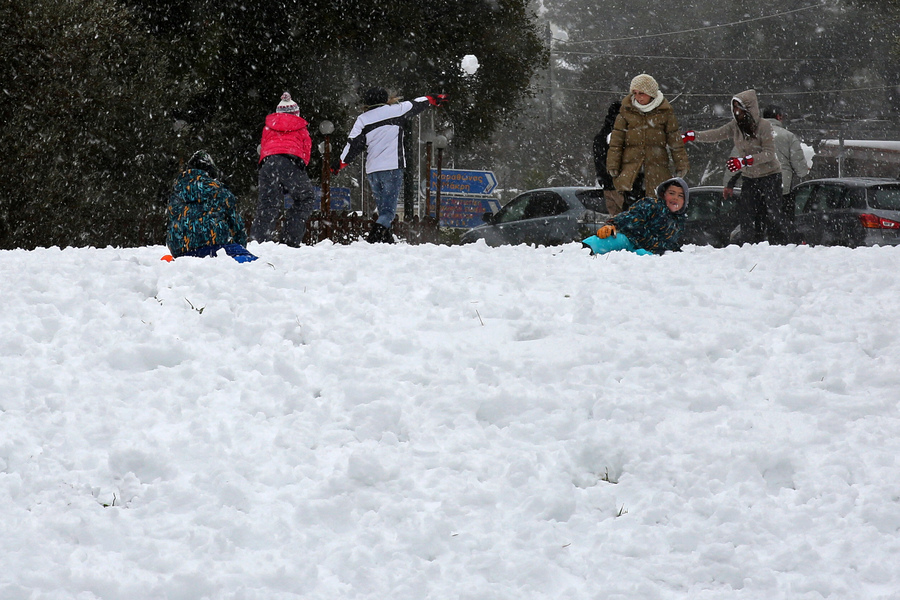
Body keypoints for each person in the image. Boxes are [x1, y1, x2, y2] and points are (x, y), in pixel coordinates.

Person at [333, 87, 448, 243]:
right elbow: (416, 103)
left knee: (383, 210)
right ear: (385, 99)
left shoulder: (362, 119)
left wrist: (340, 164)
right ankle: (372, 240)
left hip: (373, 171)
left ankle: (387, 242)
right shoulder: (396, 110)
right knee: (388, 212)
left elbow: (352, 145)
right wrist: (433, 98)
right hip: (392, 167)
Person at [683, 90, 784, 244]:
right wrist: (694, 136)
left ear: (749, 108)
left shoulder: (764, 126)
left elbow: (769, 153)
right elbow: (717, 134)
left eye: (739, 107)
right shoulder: (735, 126)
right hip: (750, 177)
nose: (736, 111)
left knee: (772, 214)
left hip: (770, 176)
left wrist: (744, 161)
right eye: (734, 107)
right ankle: (749, 245)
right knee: (747, 215)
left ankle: (777, 245)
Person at [606, 74, 690, 211]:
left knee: (655, 209)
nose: (638, 97)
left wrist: (681, 164)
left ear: (651, 94)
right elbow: (616, 142)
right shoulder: (626, 112)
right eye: (635, 93)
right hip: (631, 172)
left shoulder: (665, 112)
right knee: (631, 210)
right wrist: (613, 164)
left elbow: (675, 141)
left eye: (642, 93)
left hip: (657, 170)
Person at [166, 150, 257, 262]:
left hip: (183, 251)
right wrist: (239, 246)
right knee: (256, 264)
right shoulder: (220, 191)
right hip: (216, 246)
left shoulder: (175, 194)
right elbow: (236, 226)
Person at [253, 92, 317, 246]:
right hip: (291, 161)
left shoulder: (268, 127)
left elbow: (264, 147)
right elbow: (306, 151)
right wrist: (299, 169)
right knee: (305, 198)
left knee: (268, 203)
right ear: (296, 113)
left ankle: (259, 241)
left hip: (268, 163)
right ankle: (290, 239)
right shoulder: (301, 128)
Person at [582, 177, 690, 256]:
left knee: (645, 258)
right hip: (630, 240)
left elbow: (670, 245)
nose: (675, 198)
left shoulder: (678, 223)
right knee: (613, 240)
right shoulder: (652, 205)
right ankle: (582, 250)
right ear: (663, 194)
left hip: (649, 252)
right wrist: (613, 224)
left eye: (680, 196)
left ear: (684, 202)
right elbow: (629, 217)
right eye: (672, 193)